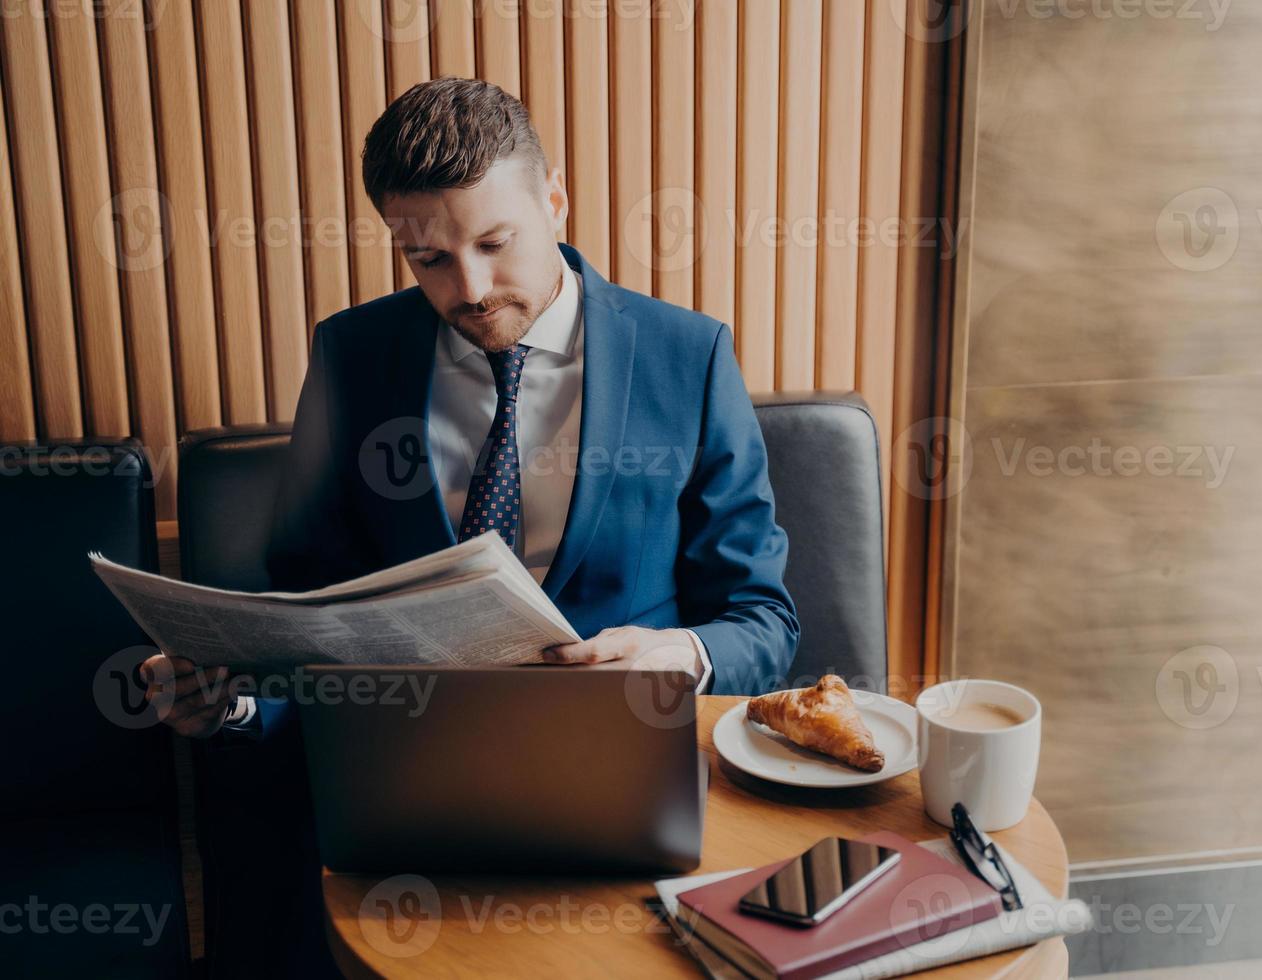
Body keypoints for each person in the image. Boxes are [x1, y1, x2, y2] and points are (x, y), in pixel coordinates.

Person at [140, 77, 799, 976]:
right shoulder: (354, 356)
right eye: (429, 261)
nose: (472, 288)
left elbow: (764, 623)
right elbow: (304, 606)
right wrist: (234, 699)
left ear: (553, 199)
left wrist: (680, 654)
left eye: (495, 243)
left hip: (622, 795)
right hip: (405, 794)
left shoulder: (689, 357)